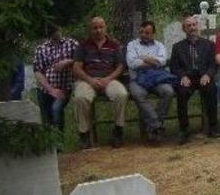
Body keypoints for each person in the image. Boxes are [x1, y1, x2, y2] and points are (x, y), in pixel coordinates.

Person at [72, 17, 129, 149]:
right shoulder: (83, 46)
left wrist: (108, 79)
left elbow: (120, 66)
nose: (98, 30)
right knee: (80, 98)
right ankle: (84, 134)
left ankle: (118, 131)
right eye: (95, 28)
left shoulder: (114, 45)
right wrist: (90, 80)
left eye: (101, 27)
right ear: (90, 29)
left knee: (121, 94)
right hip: (87, 80)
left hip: (109, 79)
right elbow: (76, 67)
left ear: (105, 28)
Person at [169, 15, 220, 144]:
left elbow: (213, 65)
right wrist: (182, 76)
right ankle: (184, 129)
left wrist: (208, 75)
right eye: (189, 26)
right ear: (184, 29)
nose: (192, 28)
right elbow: (174, 67)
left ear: (197, 26)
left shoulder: (208, 45)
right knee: (181, 92)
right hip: (188, 78)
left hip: (203, 77)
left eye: (194, 25)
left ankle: (213, 127)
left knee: (211, 89)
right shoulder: (177, 47)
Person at [126, 20, 175, 143]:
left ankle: (152, 128)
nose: (143, 35)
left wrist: (143, 58)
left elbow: (162, 61)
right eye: (141, 32)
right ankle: (156, 125)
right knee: (137, 94)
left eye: (147, 33)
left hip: (156, 78)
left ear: (153, 34)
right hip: (137, 79)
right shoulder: (132, 45)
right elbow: (132, 63)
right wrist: (153, 62)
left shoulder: (159, 46)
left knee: (168, 91)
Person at [33, 24, 78, 131]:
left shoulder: (72, 44)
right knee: (46, 120)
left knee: (56, 110)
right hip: (45, 89)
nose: (56, 33)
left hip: (64, 87)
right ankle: (49, 140)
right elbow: (37, 71)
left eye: (57, 30)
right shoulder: (41, 48)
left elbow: (83, 59)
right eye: (52, 31)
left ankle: (59, 139)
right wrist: (51, 90)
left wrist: (67, 61)